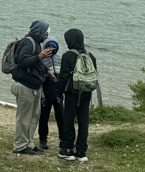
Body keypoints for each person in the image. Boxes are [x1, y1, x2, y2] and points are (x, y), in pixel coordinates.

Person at [9, 20, 55, 155]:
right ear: (39, 32)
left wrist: (47, 71)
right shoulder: (27, 42)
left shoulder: (37, 44)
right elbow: (22, 61)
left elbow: (37, 62)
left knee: (34, 116)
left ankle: (28, 143)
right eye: (45, 33)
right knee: (24, 117)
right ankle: (19, 146)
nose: (46, 37)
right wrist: (39, 56)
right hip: (25, 86)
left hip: (35, 86)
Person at [57, 28, 97, 162]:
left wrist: (58, 92)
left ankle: (68, 149)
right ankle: (81, 151)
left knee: (68, 120)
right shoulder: (91, 56)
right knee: (83, 121)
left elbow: (63, 77)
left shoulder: (68, 56)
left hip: (72, 93)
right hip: (86, 93)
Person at [37, 38, 65, 151]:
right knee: (44, 118)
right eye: (49, 47)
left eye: (53, 47)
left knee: (61, 118)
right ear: (45, 48)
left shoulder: (60, 59)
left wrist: (62, 94)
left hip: (57, 93)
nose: (51, 49)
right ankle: (42, 140)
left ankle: (63, 140)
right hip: (46, 92)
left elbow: (63, 78)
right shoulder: (41, 60)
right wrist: (42, 96)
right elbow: (40, 81)